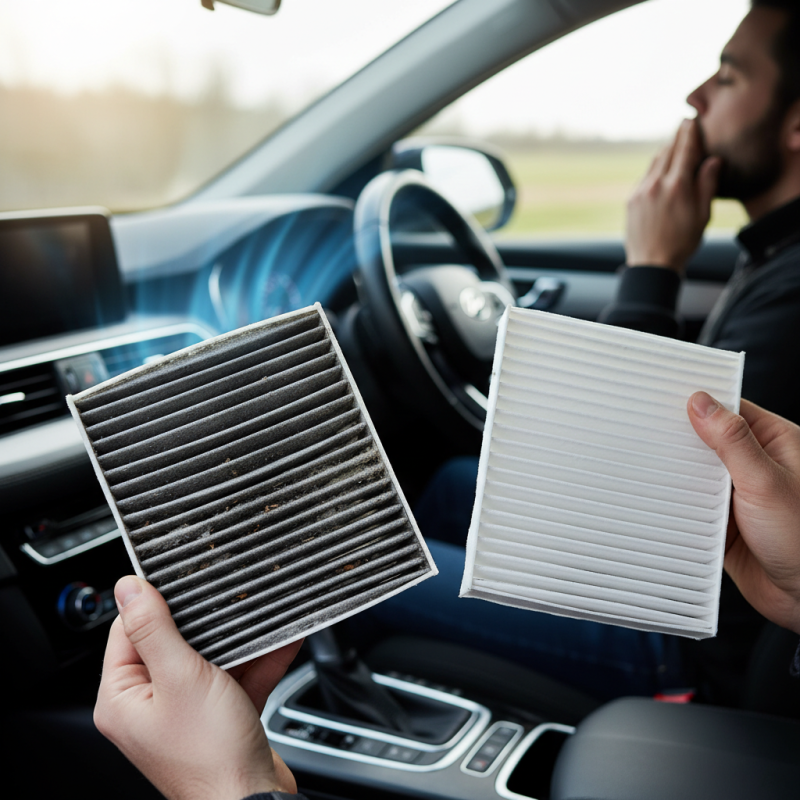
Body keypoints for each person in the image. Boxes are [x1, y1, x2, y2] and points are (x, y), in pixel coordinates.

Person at [377, 0, 800, 701]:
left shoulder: (791, 293)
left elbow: (641, 492)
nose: (694, 99)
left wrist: (655, 265)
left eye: (727, 77)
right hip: (681, 581)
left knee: (358, 580)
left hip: (678, 637)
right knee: (448, 481)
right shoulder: (774, 252)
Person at [94, 393, 800, 798]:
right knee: (451, 483)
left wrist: (230, 788)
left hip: (700, 651)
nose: (696, 121)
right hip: (759, 625)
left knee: (350, 573)